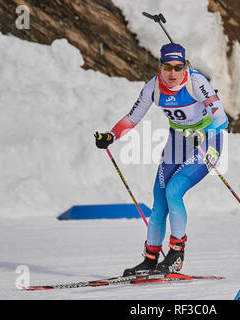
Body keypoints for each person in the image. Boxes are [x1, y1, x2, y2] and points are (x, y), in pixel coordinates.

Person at [95, 43, 228, 276]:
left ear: (185, 66)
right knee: (159, 200)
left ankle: (176, 254)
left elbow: (221, 118)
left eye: (178, 67)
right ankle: (150, 259)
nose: (173, 73)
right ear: (160, 66)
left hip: (208, 141)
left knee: (174, 190)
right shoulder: (152, 87)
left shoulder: (196, 82)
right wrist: (111, 135)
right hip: (178, 140)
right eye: (167, 67)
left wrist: (205, 134)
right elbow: (132, 118)